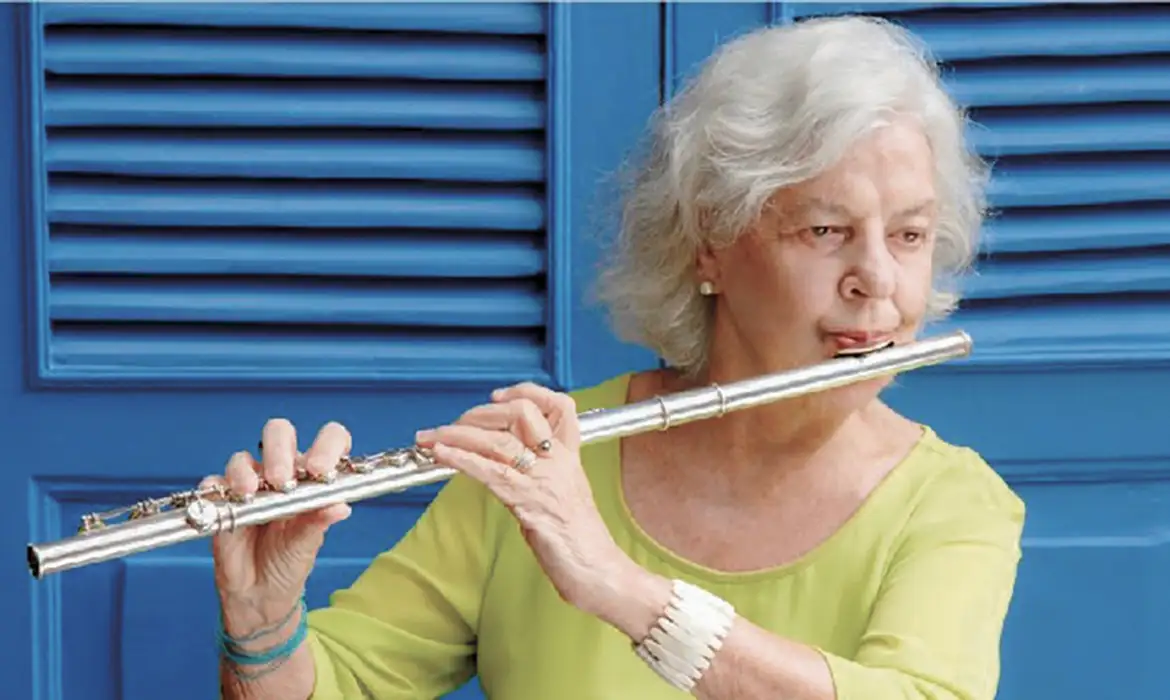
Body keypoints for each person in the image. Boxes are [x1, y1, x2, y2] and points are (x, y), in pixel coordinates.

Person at [211, 15, 1025, 700]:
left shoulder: (955, 507)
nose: (878, 281)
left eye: (909, 235)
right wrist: (264, 628)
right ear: (710, 245)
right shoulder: (541, 463)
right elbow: (339, 684)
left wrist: (622, 589)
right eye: (825, 231)